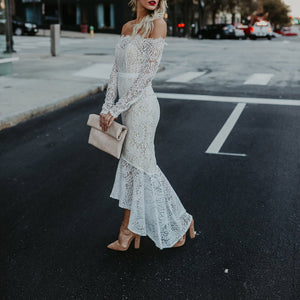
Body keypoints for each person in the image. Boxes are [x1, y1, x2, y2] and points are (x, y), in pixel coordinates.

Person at [99, 0, 195, 251]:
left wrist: (117, 108)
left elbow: (146, 75)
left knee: (142, 166)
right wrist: (107, 106)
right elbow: (115, 71)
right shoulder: (126, 26)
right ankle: (131, 228)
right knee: (133, 167)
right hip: (125, 106)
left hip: (142, 107)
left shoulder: (158, 24)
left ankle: (169, 223)